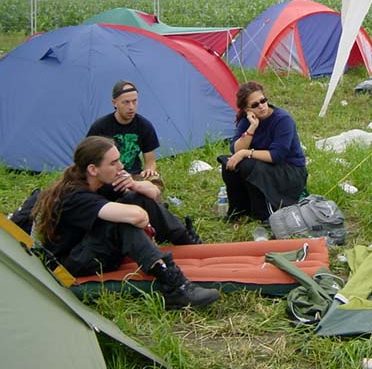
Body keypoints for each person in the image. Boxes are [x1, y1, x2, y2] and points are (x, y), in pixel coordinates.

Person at [31, 136, 219, 309]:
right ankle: (174, 286)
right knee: (120, 222)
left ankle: (188, 242)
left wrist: (135, 184)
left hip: (89, 247)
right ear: (93, 169)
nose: (121, 166)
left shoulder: (99, 181)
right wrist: (140, 218)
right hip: (72, 264)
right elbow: (137, 217)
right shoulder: (74, 196)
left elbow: (155, 194)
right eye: (113, 163)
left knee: (138, 197)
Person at [220, 81, 307, 222]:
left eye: (263, 100)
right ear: (247, 109)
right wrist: (252, 128)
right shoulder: (247, 121)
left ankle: (264, 213)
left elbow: (277, 155)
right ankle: (239, 210)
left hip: (290, 171)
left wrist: (246, 153)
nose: (261, 106)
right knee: (229, 163)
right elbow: (236, 149)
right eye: (255, 105)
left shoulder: (283, 120)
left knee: (248, 165)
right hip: (265, 166)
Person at [86, 81, 160, 182]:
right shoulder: (100, 127)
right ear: (114, 103)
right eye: (126, 102)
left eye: (134, 101)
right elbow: (87, 159)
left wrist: (149, 171)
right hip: (108, 177)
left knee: (155, 183)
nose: (131, 107)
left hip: (134, 175)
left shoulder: (144, 125)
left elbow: (150, 162)